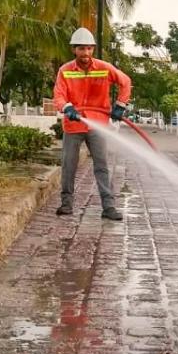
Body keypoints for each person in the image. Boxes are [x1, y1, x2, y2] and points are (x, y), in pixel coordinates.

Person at [54, 27, 131, 221]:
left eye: (89, 49)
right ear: (74, 50)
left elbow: (126, 82)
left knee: (101, 166)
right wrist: (67, 107)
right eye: (81, 49)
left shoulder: (104, 68)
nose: (86, 53)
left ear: (93, 49)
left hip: (98, 124)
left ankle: (109, 206)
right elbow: (59, 95)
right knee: (68, 165)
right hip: (74, 124)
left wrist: (120, 105)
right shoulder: (65, 71)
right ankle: (66, 204)